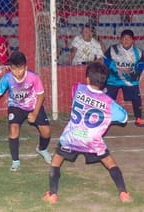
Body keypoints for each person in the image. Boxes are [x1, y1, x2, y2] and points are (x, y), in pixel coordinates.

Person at [43, 62, 133, 204]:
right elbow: (124, 118)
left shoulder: (78, 89)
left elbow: (80, 94)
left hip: (72, 137)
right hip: (92, 141)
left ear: (88, 79)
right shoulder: (109, 103)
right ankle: (124, 193)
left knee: (56, 160)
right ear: (105, 82)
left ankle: (52, 195)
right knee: (110, 163)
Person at [0, 51, 52, 171]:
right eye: (13, 69)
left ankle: (42, 149)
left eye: (20, 69)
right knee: (13, 129)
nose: (17, 72)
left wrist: (34, 113)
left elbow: (41, 95)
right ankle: (15, 161)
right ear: (10, 68)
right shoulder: (6, 79)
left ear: (26, 67)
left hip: (33, 105)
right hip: (16, 106)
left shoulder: (33, 77)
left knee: (46, 131)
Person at [104, 29, 144, 127]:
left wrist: (136, 73)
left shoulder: (138, 52)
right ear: (120, 40)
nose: (126, 41)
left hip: (129, 80)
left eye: (129, 39)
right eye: (124, 38)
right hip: (113, 79)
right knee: (107, 98)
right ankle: (106, 118)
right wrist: (112, 69)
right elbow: (105, 60)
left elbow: (141, 64)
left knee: (136, 97)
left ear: (133, 40)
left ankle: (138, 118)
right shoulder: (112, 49)